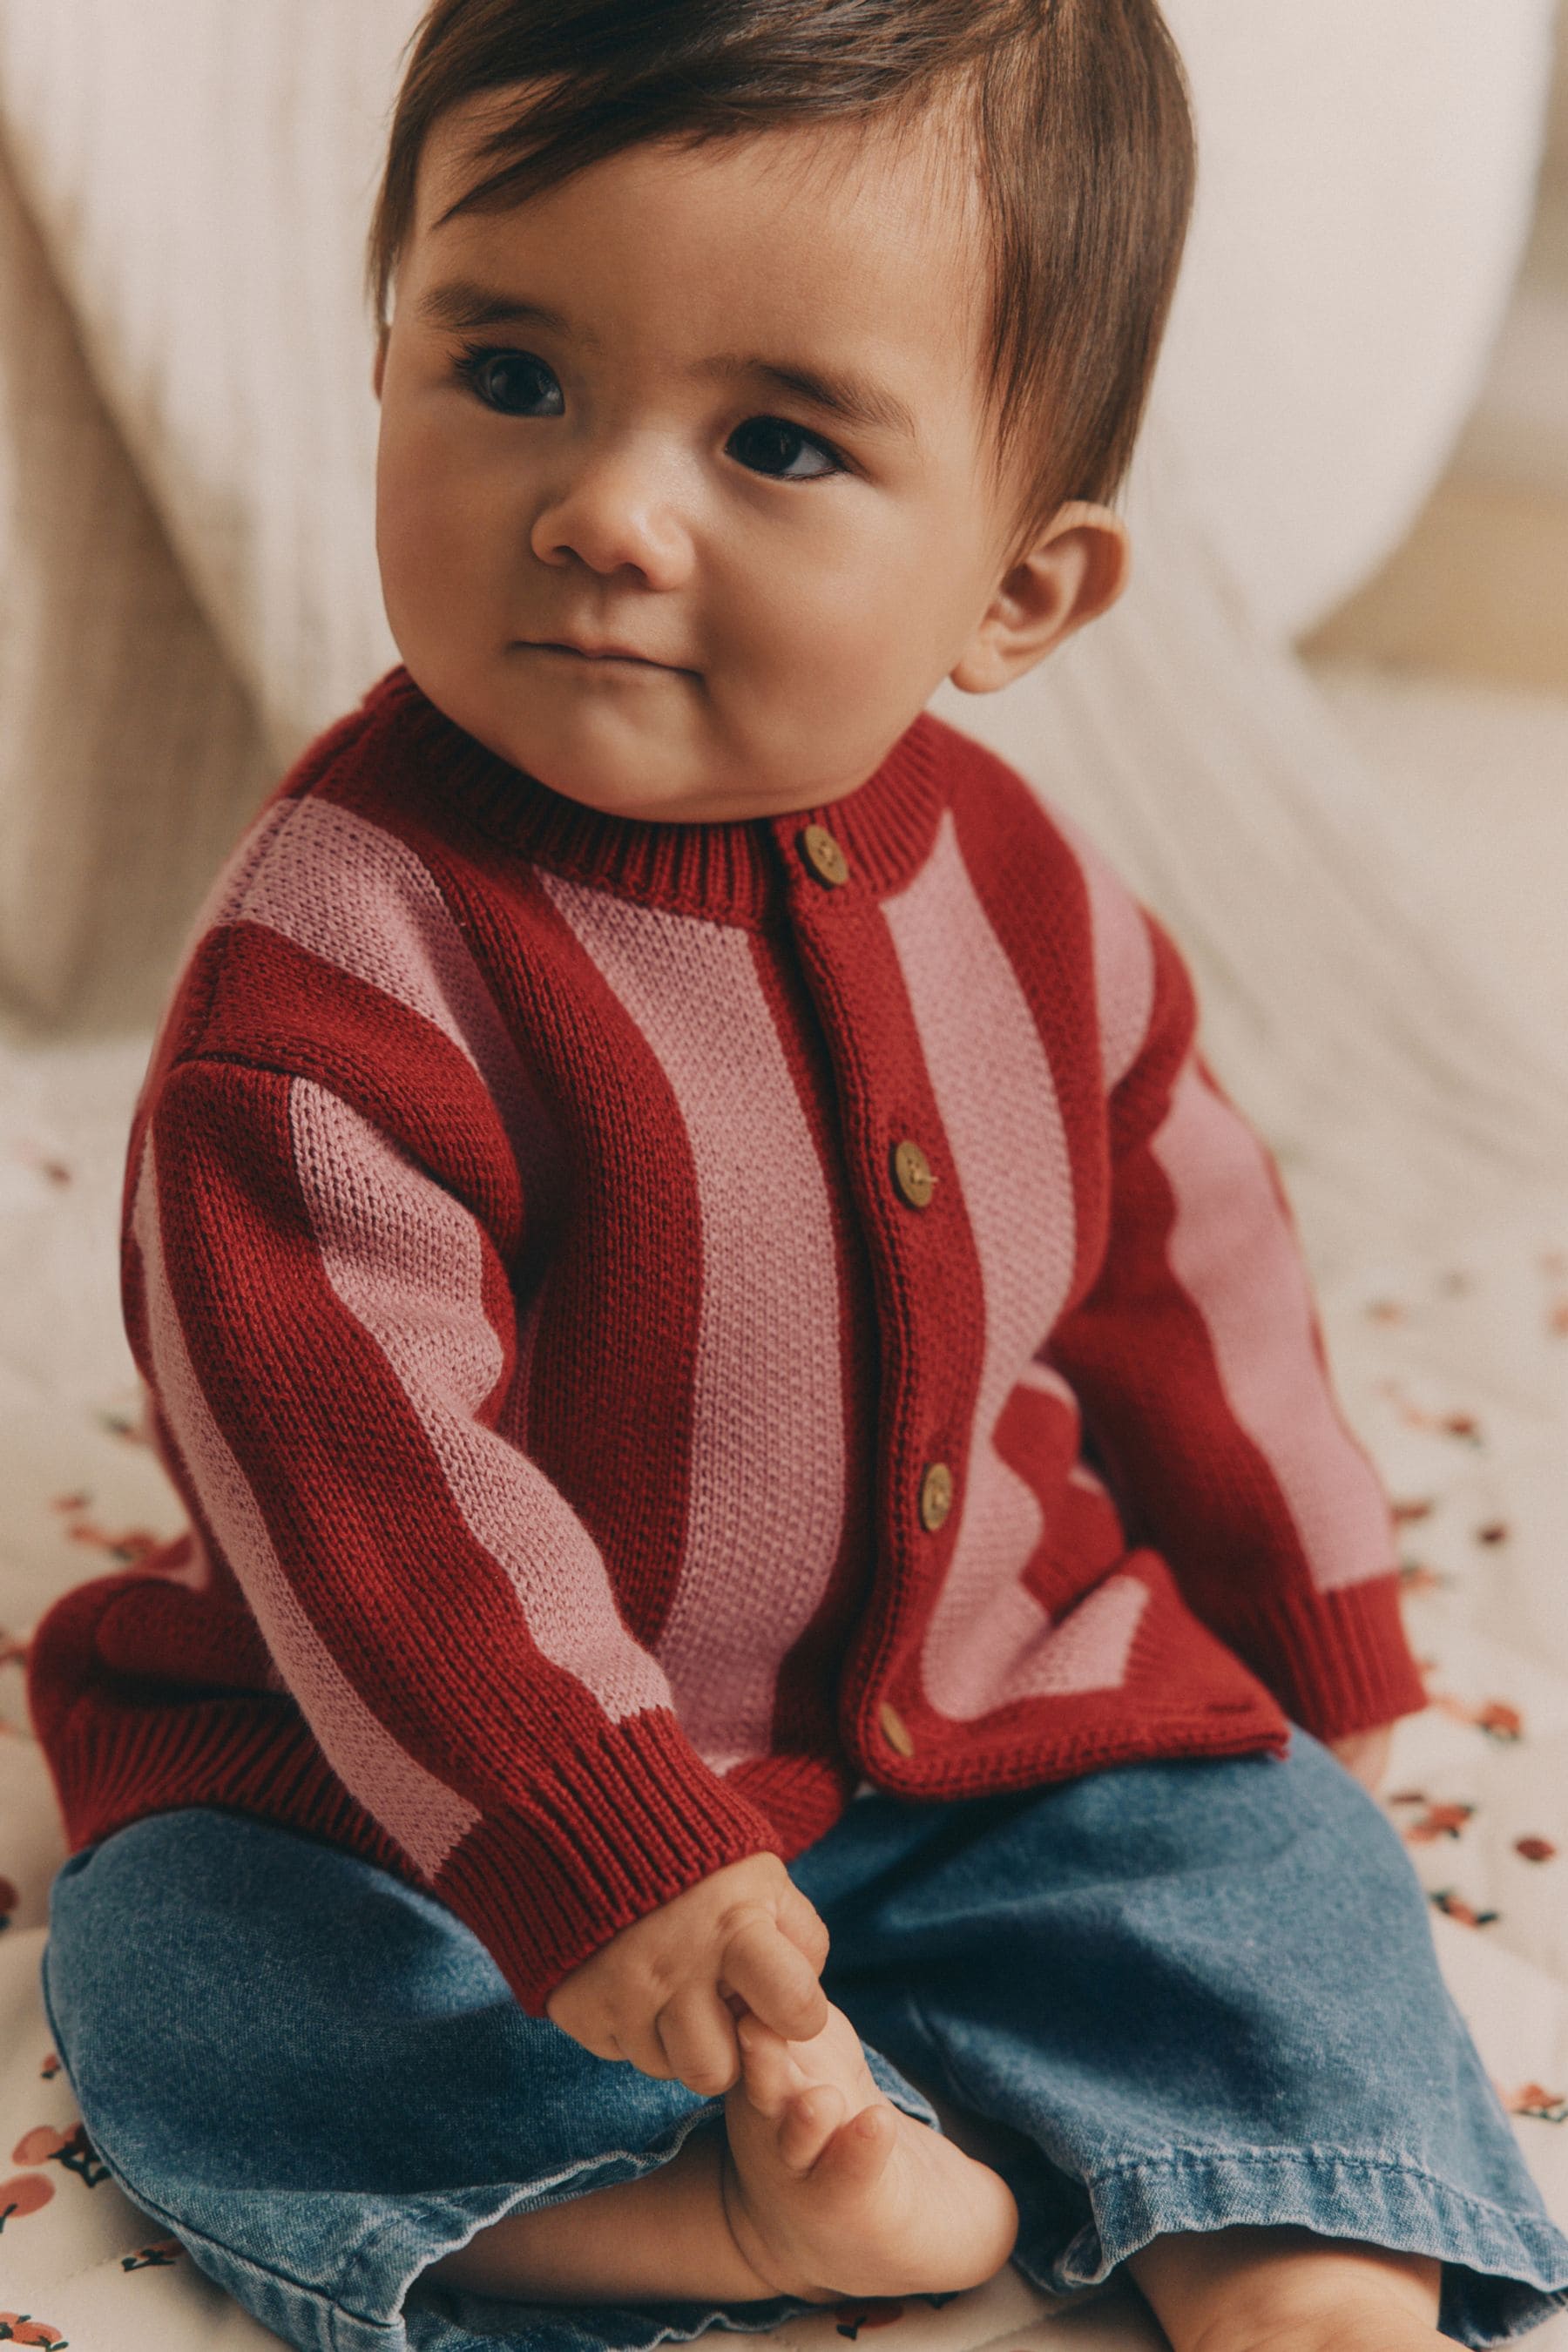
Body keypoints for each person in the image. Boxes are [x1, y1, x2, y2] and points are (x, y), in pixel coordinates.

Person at [25, 2, 1568, 2348]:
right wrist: (584, 1827)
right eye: (512, 373)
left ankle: (1296, 2246)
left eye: (773, 439)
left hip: (990, 1716)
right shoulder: (333, 963)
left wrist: (1305, 1605)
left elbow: (1187, 1255)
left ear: (1018, 593)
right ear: (383, 362)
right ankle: (683, 2215)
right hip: (440, 1793)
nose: (608, 509)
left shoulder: (1035, 892)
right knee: (195, 1970)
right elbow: (359, 1468)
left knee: (1279, 1866)